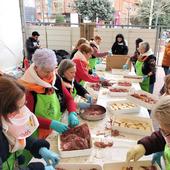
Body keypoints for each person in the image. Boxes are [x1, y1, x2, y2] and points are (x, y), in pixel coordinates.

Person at [0, 75, 59, 170]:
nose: (20, 112)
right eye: (16, 109)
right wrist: (39, 168)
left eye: (23, 105)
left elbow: (19, 133)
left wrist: (39, 148)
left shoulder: (6, 117)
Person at [19, 48, 79, 140]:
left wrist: (72, 112)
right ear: (36, 68)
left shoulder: (55, 79)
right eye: (47, 71)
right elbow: (27, 118)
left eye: (52, 70)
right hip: (37, 134)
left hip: (56, 128)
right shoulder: (27, 88)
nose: (50, 74)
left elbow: (69, 98)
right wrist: (50, 124)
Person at [126, 95, 170, 169]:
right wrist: (145, 146)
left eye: (167, 132)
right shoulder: (167, 135)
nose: (166, 136)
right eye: (163, 131)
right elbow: (161, 138)